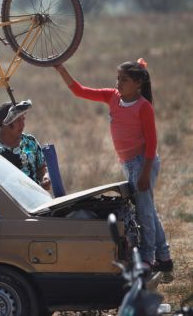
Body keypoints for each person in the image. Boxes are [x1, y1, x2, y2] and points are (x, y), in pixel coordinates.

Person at [54, 59, 173, 277]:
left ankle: (148, 258)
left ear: (138, 84)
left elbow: (152, 142)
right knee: (147, 210)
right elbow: (79, 91)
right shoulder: (112, 97)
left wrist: (145, 172)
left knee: (144, 212)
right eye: (118, 79)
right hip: (128, 163)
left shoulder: (143, 107)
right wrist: (62, 70)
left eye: (124, 80)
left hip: (141, 163)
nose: (118, 83)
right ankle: (164, 257)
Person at [0, 100, 52, 190]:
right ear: (5, 122)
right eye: (18, 120)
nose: (22, 125)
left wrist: (45, 177)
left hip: (35, 199)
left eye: (23, 119)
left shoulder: (30, 142)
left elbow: (42, 167)